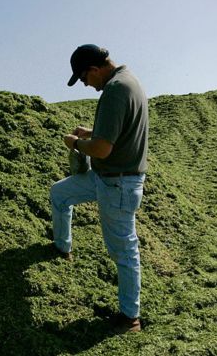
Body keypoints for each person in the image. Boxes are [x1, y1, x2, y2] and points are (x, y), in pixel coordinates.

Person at [50, 44, 149, 334]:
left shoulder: (116, 90)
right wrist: (91, 131)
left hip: (118, 183)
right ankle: (62, 247)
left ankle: (130, 318)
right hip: (104, 177)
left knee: (124, 250)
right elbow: (120, 128)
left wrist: (76, 143)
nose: (85, 84)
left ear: (94, 69)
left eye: (83, 78)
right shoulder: (128, 80)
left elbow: (103, 149)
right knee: (60, 193)